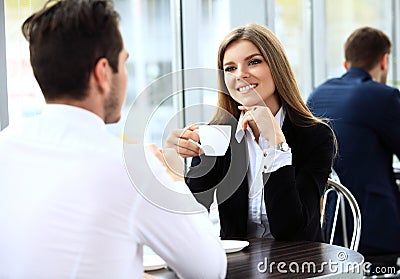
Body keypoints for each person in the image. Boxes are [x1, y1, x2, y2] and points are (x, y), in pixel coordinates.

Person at [0, 1, 227, 278]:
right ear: (103, 73)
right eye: (124, 63)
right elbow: (210, 269)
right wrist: (172, 178)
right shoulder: (131, 167)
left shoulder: (5, 146)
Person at [165, 23, 335, 242]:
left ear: (277, 67)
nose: (240, 75)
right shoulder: (218, 135)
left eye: (254, 62)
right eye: (230, 68)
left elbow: (292, 230)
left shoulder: (315, 136)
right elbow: (188, 222)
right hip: (238, 266)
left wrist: (276, 144)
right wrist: (174, 169)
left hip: (297, 265)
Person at [307, 26, 400, 256]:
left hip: (329, 225)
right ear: (384, 60)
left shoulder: (317, 94)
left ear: (346, 64)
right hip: (374, 229)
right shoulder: (384, 96)